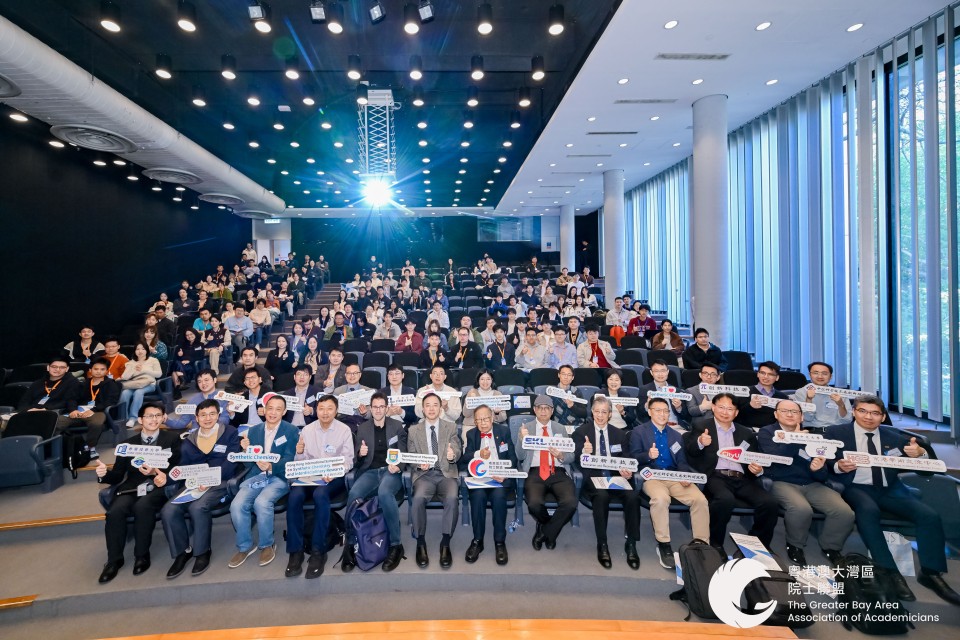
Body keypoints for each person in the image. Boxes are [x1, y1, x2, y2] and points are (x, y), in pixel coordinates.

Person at [826, 396, 960, 605]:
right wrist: (838, 466)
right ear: (854, 412)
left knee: (929, 516)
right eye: (863, 411)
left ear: (883, 417)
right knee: (868, 511)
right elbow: (824, 462)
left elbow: (927, 471)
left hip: (890, 488)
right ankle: (889, 572)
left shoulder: (894, 436)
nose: (868, 417)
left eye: (875, 413)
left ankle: (931, 573)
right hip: (855, 486)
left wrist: (920, 454)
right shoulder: (836, 433)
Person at [757, 400, 853, 567]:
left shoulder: (814, 436)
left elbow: (823, 473)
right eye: (784, 411)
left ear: (801, 417)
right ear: (776, 414)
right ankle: (795, 545)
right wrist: (795, 439)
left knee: (844, 512)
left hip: (812, 484)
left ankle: (831, 547)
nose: (790, 414)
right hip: (781, 481)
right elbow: (775, 460)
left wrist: (818, 469)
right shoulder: (767, 432)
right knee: (801, 509)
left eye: (795, 412)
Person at [95, 401, 181, 583]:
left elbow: (176, 467)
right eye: (149, 416)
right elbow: (118, 475)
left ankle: (141, 555)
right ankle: (114, 560)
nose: (154, 419)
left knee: (143, 506)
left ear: (163, 418)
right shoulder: (127, 444)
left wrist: (159, 473)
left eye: (158, 415)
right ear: (140, 419)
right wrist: (104, 474)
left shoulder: (172, 439)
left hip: (157, 486)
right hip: (132, 487)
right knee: (114, 512)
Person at [684, 393, 779, 554]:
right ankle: (715, 543)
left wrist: (757, 469)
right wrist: (700, 442)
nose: (725, 412)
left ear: (736, 412)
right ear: (713, 408)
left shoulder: (746, 433)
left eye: (730, 409)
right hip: (715, 476)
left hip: (742, 477)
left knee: (769, 502)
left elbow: (753, 458)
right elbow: (690, 452)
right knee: (724, 499)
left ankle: (757, 545)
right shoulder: (701, 426)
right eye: (721, 407)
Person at [160, 399, 242, 578]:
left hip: (220, 482)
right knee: (168, 509)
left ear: (218, 415)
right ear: (196, 418)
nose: (208, 418)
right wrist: (166, 477)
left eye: (212, 414)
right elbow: (183, 466)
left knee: (197, 507)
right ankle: (183, 552)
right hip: (195, 483)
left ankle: (202, 551)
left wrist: (210, 478)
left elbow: (231, 463)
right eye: (203, 415)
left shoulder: (230, 432)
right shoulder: (189, 439)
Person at [630, 397, 709, 570]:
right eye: (658, 410)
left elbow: (682, 461)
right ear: (649, 412)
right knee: (661, 499)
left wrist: (684, 474)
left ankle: (701, 545)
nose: (662, 414)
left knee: (700, 500)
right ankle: (664, 544)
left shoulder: (675, 435)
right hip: (651, 476)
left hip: (674, 477)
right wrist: (647, 455)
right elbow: (633, 458)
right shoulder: (639, 432)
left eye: (666, 411)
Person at [285, 395, 354, 578]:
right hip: (310, 475)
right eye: (321, 408)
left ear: (336, 411)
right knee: (294, 496)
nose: (325, 412)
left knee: (320, 494)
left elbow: (348, 460)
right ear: (316, 411)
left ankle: (318, 550)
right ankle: (296, 550)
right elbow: (301, 461)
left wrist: (335, 472)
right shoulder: (307, 430)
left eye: (329, 408)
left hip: (333, 477)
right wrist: (299, 453)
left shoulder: (344, 430)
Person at [228, 394, 299, 570]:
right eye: (270, 408)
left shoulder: (291, 430)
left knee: (262, 502)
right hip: (256, 476)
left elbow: (290, 458)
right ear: (264, 410)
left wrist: (271, 466)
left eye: (278, 409)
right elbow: (247, 464)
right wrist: (246, 451)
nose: (273, 413)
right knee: (236, 505)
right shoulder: (253, 431)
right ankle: (244, 546)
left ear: (284, 412)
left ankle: (267, 544)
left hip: (279, 476)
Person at [572, 395, 641, 569]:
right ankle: (602, 544)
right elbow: (575, 460)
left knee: (633, 497)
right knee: (601, 496)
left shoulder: (619, 434)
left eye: (604, 412)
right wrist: (584, 452)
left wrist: (626, 470)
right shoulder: (581, 432)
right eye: (597, 411)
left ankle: (631, 543)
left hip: (616, 476)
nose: (600, 415)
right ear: (592, 412)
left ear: (610, 414)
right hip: (594, 476)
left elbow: (626, 458)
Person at [341, 392, 406, 573]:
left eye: (381, 407)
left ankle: (396, 545)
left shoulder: (397, 426)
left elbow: (404, 452)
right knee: (354, 494)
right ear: (370, 408)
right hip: (370, 471)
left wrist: (398, 466)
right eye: (374, 407)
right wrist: (360, 454)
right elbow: (356, 460)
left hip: (390, 471)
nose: (378, 410)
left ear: (386, 408)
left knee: (385, 492)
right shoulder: (363, 428)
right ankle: (351, 543)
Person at [407, 392, 462, 569]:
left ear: (440, 408)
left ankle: (445, 542)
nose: (431, 409)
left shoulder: (450, 427)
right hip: (424, 475)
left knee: (452, 498)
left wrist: (453, 455)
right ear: (423, 409)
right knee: (417, 499)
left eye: (435, 405)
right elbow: (411, 455)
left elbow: (457, 448)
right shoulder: (413, 430)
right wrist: (418, 463)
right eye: (428, 405)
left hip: (446, 473)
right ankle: (420, 542)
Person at [516, 395, 578, 550]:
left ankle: (546, 532)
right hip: (535, 471)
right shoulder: (526, 428)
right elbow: (520, 456)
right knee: (534, 504)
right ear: (534, 410)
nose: (543, 411)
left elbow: (571, 456)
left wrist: (561, 455)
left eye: (547, 408)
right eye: (540, 408)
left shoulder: (560, 428)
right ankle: (550, 530)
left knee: (570, 503)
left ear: (552, 411)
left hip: (558, 471)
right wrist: (523, 439)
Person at [459, 405, 516, 565]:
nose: (483, 423)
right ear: (475, 422)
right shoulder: (472, 434)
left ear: (492, 418)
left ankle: (500, 541)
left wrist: (504, 473)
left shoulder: (504, 431)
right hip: (480, 478)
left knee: (498, 497)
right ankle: (478, 540)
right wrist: (478, 454)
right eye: (479, 420)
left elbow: (512, 458)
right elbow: (465, 458)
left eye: (485, 419)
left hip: (499, 478)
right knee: (477, 497)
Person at [67, 357, 120, 458]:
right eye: (96, 369)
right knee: (58, 422)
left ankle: (90, 448)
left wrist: (93, 410)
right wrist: (73, 409)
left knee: (96, 422)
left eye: (102, 369)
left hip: (99, 411)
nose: (99, 372)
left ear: (107, 371)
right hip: (79, 412)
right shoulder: (83, 384)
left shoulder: (111, 384)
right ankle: (57, 450)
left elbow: (110, 401)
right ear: (90, 370)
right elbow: (72, 398)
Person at [164, 369, 230, 430]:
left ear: (215, 380)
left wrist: (206, 421)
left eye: (206, 380)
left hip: (217, 432)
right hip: (196, 434)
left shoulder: (223, 398)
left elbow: (225, 420)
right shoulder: (193, 401)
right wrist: (166, 420)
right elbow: (182, 422)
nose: (203, 383)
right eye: (199, 381)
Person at [119, 342, 163, 428]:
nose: (140, 351)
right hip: (134, 384)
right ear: (134, 351)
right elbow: (125, 377)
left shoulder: (153, 360)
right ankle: (124, 417)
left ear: (146, 350)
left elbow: (159, 374)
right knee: (125, 393)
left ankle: (133, 418)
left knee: (138, 392)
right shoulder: (131, 362)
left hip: (149, 384)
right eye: (137, 349)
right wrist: (132, 369)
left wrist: (143, 370)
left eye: (143, 349)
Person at [793, 361, 850, 428]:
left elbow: (847, 420)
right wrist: (809, 400)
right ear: (810, 375)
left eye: (824, 373)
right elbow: (807, 418)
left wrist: (841, 405)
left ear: (831, 376)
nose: (820, 376)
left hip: (836, 430)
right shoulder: (801, 392)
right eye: (815, 373)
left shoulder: (839, 393)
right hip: (813, 430)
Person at [736, 361, 789, 429]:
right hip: (749, 431)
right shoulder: (744, 392)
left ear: (777, 378)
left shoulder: (783, 398)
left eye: (770, 374)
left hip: (773, 432)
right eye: (763, 373)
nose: (766, 377)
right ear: (758, 374)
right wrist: (750, 406)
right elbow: (735, 416)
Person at [637, 360, 684, 425]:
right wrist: (647, 406)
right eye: (656, 371)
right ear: (651, 373)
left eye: (663, 371)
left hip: (675, 425)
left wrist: (678, 408)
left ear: (668, 372)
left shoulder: (677, 391)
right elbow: (640, 414)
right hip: (654, 426)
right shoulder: (645, 390)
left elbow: (686, 415)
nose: (660, 374)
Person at [462, 370, 508, 436]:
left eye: (488, 379)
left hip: (491, 426)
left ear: (492, 380)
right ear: (478, 380)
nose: (485, 382)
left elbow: (503, 418)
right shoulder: (472, 392)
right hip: (472, 425)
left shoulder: (498, 394)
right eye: (482, 379)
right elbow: (466, 414)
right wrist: (470, 402)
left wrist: (497, 413)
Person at [332, 364, 372, 430]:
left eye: (355, 373)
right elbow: (333, 412)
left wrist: (365, 413)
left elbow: (371, 415)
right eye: (349, 373)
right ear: (345, 375)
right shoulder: (338, 391)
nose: (352, 376)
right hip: (342, 423)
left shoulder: (367, 391)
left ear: (360, 375)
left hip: (361, 424)